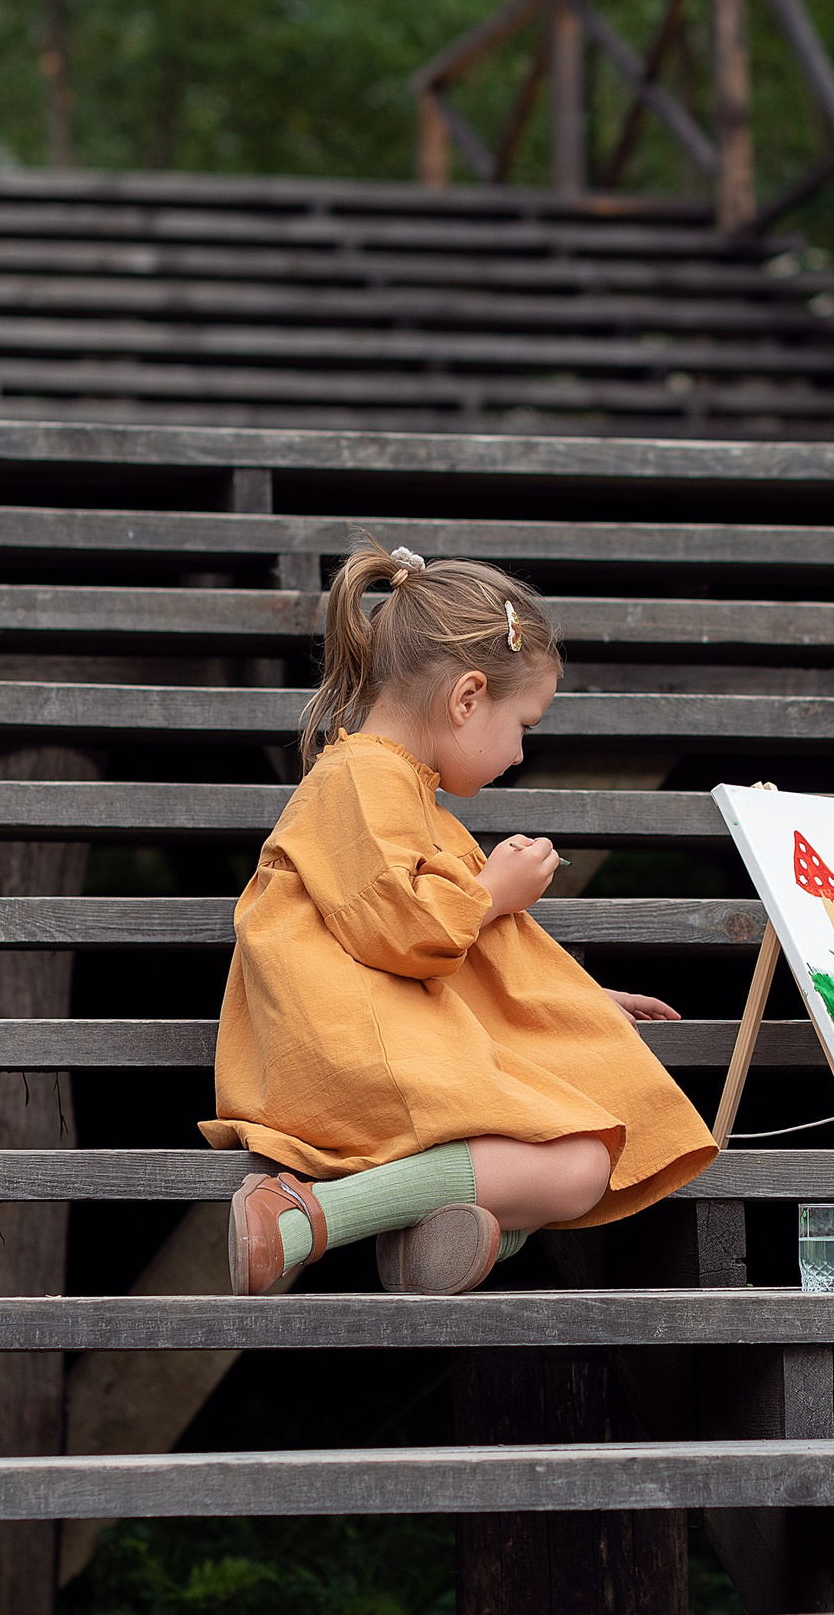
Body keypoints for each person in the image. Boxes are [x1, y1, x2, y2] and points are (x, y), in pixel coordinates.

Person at [206, 540, 715, 1298]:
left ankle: (422, 1241)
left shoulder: (401, 789)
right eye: (524, 726)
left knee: (583, 1138)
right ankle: (303, 1218)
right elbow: (406, 931)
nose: (517, 754)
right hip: (354, 1055)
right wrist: (495, 891)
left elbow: (451, 949)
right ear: (468, 697)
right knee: (580, 1162)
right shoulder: (362, 780)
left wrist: (575, 1003)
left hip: (396, 1041)